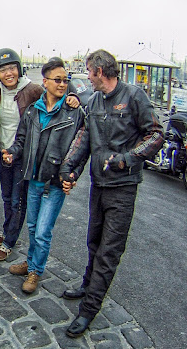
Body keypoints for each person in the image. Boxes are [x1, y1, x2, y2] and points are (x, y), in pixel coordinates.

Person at [59, 50, 164, 338]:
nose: (87, 76)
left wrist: (126, 159)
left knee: (109, 252)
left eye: (89, 71)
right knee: (94, 241)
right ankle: (87, 285)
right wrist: (69, 168)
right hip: (99, 185)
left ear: (100, 72)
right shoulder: (93, 101)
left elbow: (155, 134)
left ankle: (89, 309)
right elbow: (84, 138)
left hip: (123, 188)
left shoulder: (134, 96)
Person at [2, 58, 85, 294]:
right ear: (45, 81)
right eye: (57, 80)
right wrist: (12, 153)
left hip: (54, 183)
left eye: (65, 80)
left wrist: (72, 173)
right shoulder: (33, 111)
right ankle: (30, 262)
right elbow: (21, 141)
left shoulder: (73, 112)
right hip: (33, 179)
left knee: (42, 231)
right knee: (31, 227)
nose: (62, 84)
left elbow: (80, 147)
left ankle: (36, 271)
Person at [0, 48, 80, 261]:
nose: (8, 73)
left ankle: (9, 242)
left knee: (17, 201)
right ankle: (6, 230)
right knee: (6, 197)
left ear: (19, 69)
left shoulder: (32, 89)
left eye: (12, 68)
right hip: (5, 153)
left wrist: (72, 96)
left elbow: (57, 93)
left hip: (25, 154)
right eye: (3, 70)